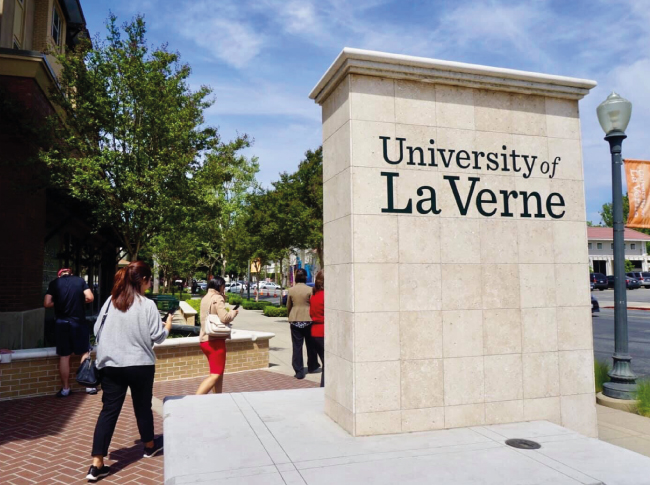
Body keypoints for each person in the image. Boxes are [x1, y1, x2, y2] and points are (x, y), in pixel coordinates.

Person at [86, 261, 173, 482]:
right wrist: (167, 327)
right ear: (142, 280)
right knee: (142, 406)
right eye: (149, 280)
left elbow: (96, 330)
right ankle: (149, 445)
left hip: (111, 365)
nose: (150, 283)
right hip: (140, 364)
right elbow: (158, 337)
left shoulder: (110, 302)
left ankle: (96, 464)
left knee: (109, 411)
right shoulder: (148, 305)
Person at [44, 268, 95, 397]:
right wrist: (80, 301)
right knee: (84, 352)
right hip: (78, 322)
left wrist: (58, 303)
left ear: (59, 275)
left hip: (62, 324)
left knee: (64, 356)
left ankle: (65, 389)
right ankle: (88, 386)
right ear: (71, 274)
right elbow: (90, 297)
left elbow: (47, 303)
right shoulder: (80, 281)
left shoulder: (54, 283)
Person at [196, 277, 238, 394]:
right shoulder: (218, 298)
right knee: (215, 375)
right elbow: (224, 317)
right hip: (215, 341)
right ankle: (194, 399)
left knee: (217, 373)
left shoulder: (205, 297)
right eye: (224, 286)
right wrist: (233, 313)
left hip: (204, 339)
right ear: (220, 286)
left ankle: (217, 397)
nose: (224, 289)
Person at [287, 268, 319, 379]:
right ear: (306, 277)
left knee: (297, 347)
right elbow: (313, 304)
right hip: (308, 319)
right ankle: (312, 366)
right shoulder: (310, 290)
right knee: (311, 345)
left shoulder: (291, 290)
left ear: (296, 277)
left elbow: (289, 306)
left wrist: (290, 315)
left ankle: (299, 371)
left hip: (295, 320)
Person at [310, 270, 325, 388]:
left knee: (326, 364)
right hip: (323, 331)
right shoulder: (326, 296)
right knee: (329, 365)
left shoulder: (315, 296)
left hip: (315, 332)